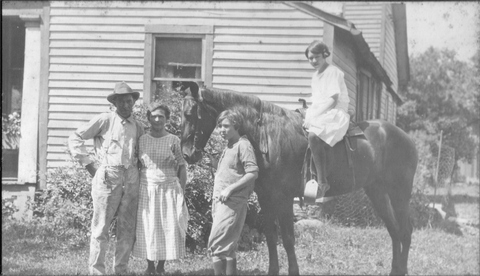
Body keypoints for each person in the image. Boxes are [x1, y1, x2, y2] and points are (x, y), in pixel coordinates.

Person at [68, 82, 144, 275]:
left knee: (127, 229)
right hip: (108, 178)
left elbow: (143, 154)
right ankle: (97, 271)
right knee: (101, 227)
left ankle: (121, 270)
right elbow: (76, 137)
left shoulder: (138, 126)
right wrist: (88, 164)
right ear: (115, 102)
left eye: (129, 101)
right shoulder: (105, 120)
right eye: (122, 101)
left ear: (133, 102)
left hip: (132, 179)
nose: (126, 105)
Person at [132, 103, 188, 275]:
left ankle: (161, 266)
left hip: (169, 188)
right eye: (154, 116)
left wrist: (182, 190)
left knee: (166, 225)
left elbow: (182, 166)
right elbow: (135, 165)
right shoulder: (142, 140)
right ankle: (149, 266)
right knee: (148, 226)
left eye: (161, 116)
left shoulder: (173, 140)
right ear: (148, 118)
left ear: (167, 119)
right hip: (147, 187)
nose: (157, 120)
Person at [207, 109, 259, 275]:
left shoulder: (243, 145)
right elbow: (231, 172)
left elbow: (252, 173)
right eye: (220, 126)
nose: (222, 130)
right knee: (227, 246)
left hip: (233, 202)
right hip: (220, 201)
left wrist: (230, 188)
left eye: (226, 126)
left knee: (217, 244)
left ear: (237, 126)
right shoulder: (230, 146)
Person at [303, 40, 350, 198]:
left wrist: (315, 116)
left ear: (324, 55)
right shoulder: (315, 76)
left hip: (335, 112)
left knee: (313, 135)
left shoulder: (332, 72)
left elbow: (333, 100)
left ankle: (322, 182)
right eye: (310, 58)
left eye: (316, 57)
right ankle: (307, 178)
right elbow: (317, 101)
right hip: (321, 111)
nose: (313, 61)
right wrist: (310, 114)